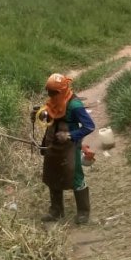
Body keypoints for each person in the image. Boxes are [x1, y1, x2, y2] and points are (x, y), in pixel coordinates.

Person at [31, 73, 95, 224]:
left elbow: (89, 126)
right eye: (49, 92)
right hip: (53, 142)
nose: (50, 95)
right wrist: (39, 115)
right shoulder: (54, 101)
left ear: (63, 90)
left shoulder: (74, 106)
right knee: (52, 174)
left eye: (54, 92)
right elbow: (50, 115)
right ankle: (56, 210)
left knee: (75, 176)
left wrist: (70, 135)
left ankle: (83, 212)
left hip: (70, 146)